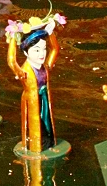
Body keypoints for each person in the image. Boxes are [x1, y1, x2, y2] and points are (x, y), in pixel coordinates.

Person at [6, 13, 65, 154]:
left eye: (43, 49)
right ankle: (35, 146)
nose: (41, 54)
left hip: (44, 99)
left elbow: (55, 49)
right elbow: (11, 61)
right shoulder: (25, 72)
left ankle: (48, 143)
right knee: (34, 126)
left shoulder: (45, 67)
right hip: (31, 102)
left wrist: (50, 32)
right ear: (26, 52)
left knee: (47, 123)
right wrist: (14, 37)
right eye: (36, 50)